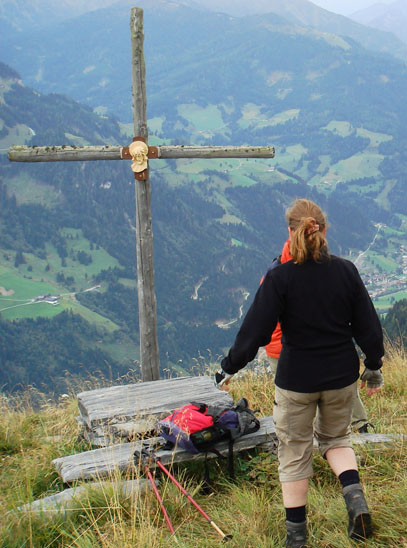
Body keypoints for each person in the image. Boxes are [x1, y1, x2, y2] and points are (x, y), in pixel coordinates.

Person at [215, 199, 384, 547]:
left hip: (297, 379)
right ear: (323, 229)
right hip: (340, 374)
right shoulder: (346, 270)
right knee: (336, 440)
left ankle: (297, 537)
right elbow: (368, 324)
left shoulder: (281, 276)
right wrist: (374, 365)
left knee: (294, 451)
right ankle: (355, 499)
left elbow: (256, 331)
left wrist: (229, 367)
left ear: (290, 231)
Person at [262, 239, 373, 434]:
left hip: (282, 350)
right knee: (341, 390)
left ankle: (292, 437)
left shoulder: (275, 275)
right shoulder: (310, 275)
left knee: (290, 400)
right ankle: (360, 426)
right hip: (294, 347)